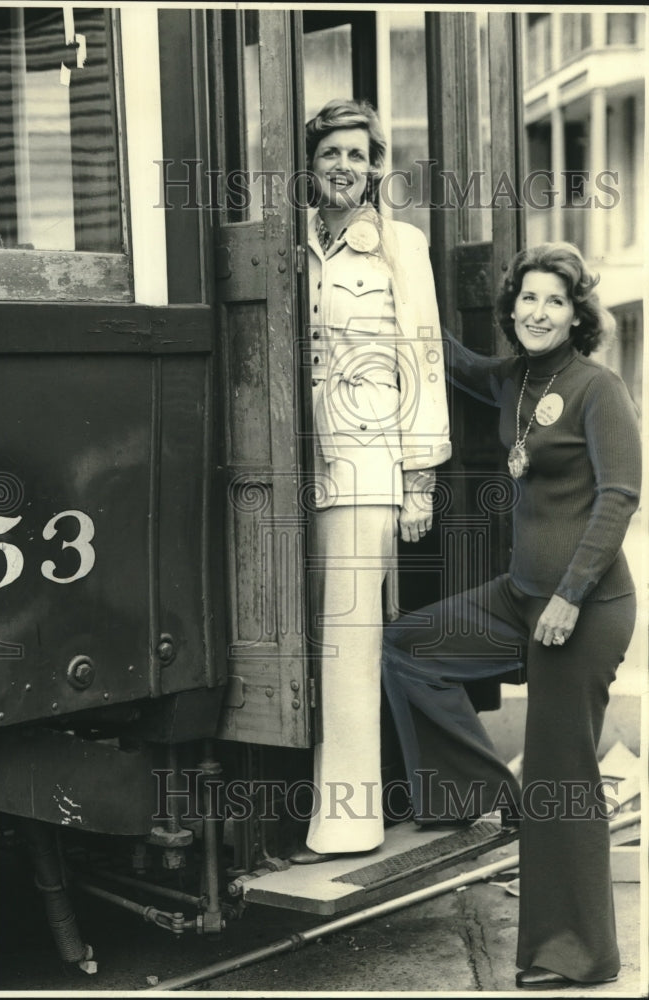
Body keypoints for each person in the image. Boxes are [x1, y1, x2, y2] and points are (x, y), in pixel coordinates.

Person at [381, 241, 641, 988]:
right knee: (408, 645)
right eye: (527, 298)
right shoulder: (514, 380)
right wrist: (401, 273)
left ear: (575, 313)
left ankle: (576, 954)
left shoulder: (597, 387)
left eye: (553, 301)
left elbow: (619, 496)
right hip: (519, 595)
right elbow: (450, 357)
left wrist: (567, 597)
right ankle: (482, 794)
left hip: (583, 608)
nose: (537, 311)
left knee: (564, 776)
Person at [290, 99, 451, 863]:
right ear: (312, 163)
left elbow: (422, 359)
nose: (345, 167)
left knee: (349, 641)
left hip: (367, 460)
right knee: (296, 636)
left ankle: (348, 816)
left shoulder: (400, 244)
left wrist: (418, 478)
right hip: (290, 462)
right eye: (332, 154)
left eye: (359, 155)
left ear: (376, 165)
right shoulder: (290, 243)